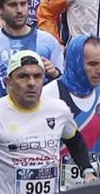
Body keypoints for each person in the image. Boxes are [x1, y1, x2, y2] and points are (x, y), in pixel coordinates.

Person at [0, 52, 96, 194]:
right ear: (8, 82)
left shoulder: (59, 109)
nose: (31, 83)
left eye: (37, 76)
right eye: (23, 76)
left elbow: (75, 141)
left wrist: (87, 170)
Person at [42, 35, 100, 187]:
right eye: (92, 64)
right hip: (55, 184)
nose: (99, 70)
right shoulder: (48, 94)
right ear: (77, 63)